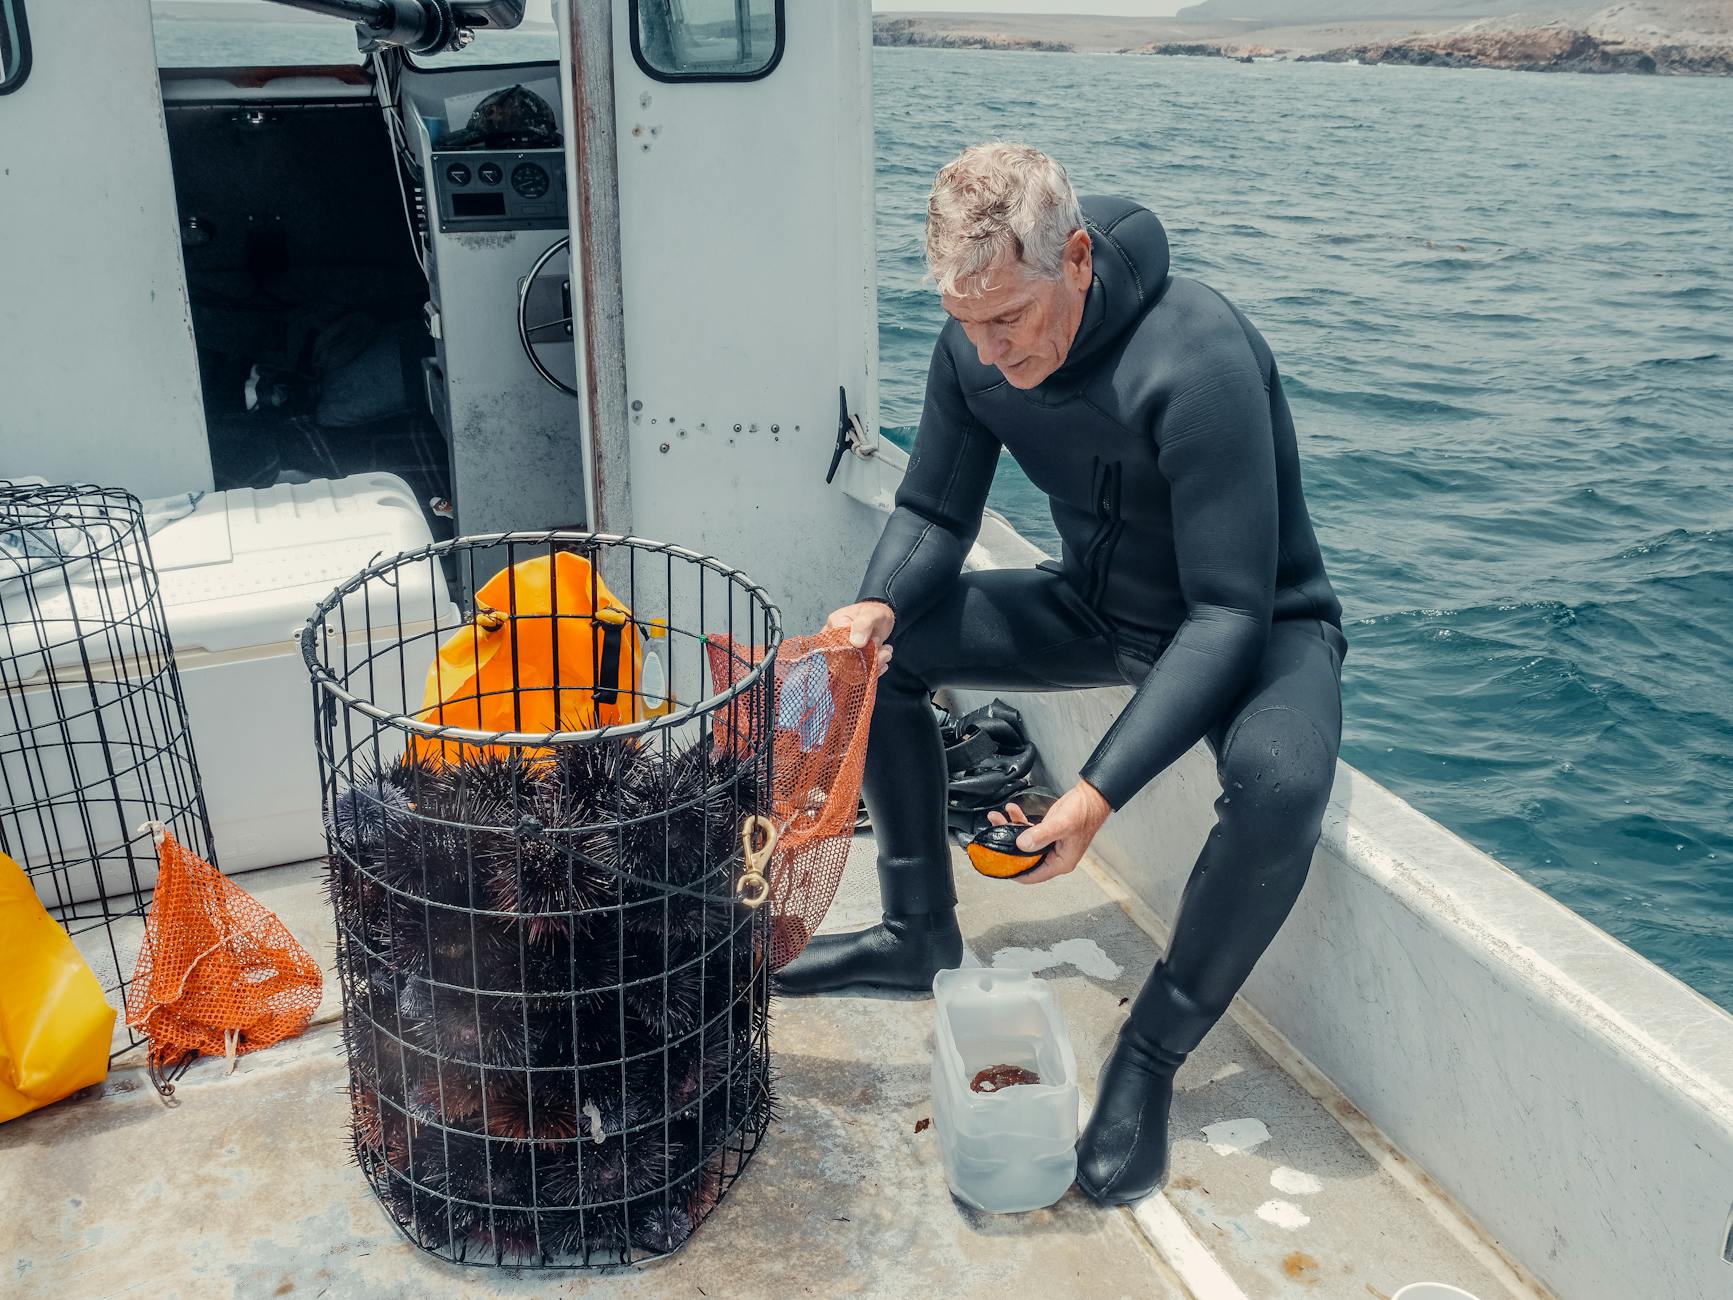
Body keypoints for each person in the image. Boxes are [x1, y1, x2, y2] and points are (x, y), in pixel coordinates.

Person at [777, 142, 1347, 1206]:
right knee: (886, 657)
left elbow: (1226, 611)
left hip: (1259, 628)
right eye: (963, 323)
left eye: (1006, 320)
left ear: (1076, 258)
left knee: (1278, 786)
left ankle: (1150, 1054)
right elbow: (936, 512)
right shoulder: (974, 347)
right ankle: (914, 930)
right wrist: (875, 605)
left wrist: (1089, 796)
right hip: (1098, 608)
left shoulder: (1198, 354)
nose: (987, 353)